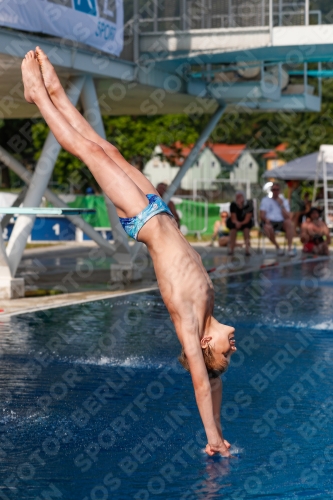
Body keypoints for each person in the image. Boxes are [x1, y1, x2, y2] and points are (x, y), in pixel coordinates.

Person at [22, 48, 236, 457]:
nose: (235, 345)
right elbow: (215, 383)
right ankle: (56, 92)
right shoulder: (208, 304)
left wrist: (211, 437)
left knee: (92, 154)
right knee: (110, 150)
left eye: (227, 350)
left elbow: (201, 379)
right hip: (158, 210)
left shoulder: (191, 325)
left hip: (143, 220)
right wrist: (223, 429)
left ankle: (40, 97)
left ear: (207, 343)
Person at [260, 182, 295, 257]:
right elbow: (262, 215)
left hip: (281, 222)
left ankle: (289, 249)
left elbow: (288, 216)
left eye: (277, 190)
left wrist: (281, 205)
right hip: (270, 221)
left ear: (280, 191)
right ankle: (277, 247)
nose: (275, 191)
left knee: (289, 223)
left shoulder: (284, 201)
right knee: (267, 227)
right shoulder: (265, 200)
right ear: (271, 190)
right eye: (274, 189)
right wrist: (266, 220)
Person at [226, 191, 254, 256]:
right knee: (233, 230)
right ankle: (231, 248)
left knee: (246, 230)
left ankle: (247, 249)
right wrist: (237, 223)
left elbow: (247, 218)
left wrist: (241, 223)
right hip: (236, 222)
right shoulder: (233, 205)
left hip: (245, 222)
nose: (238, 198)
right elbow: (233, 218)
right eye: (237, 197)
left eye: (240, 197)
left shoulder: (249, 204)